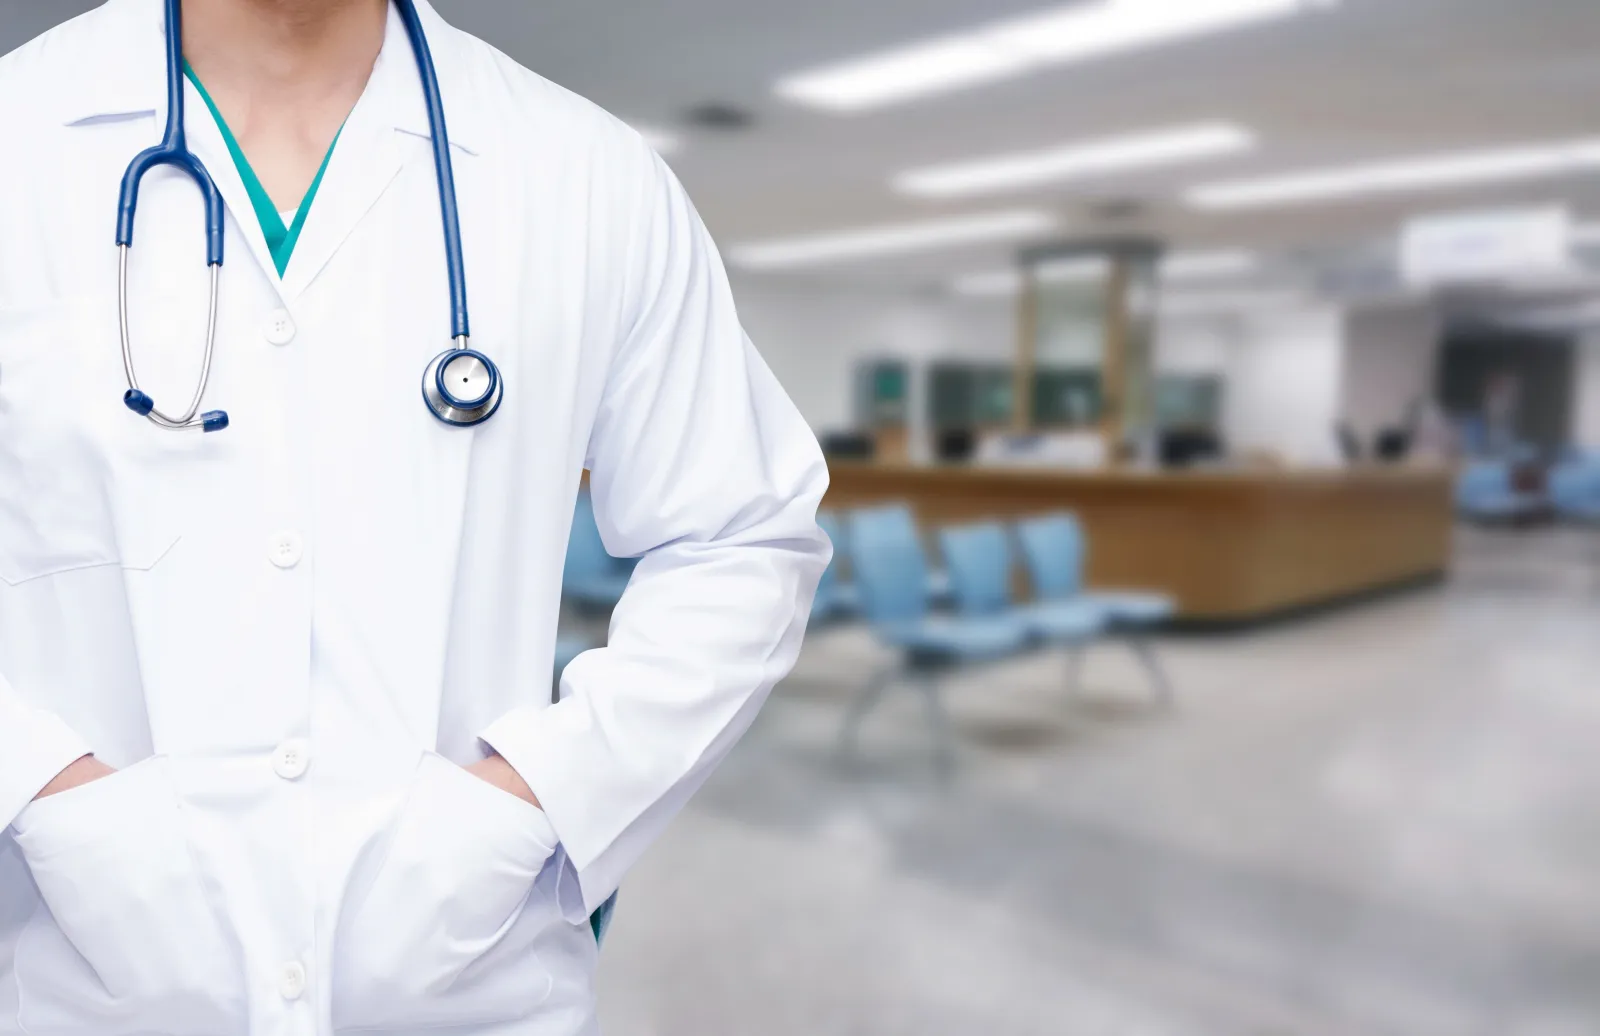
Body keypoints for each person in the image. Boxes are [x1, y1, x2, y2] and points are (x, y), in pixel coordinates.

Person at [0, 1, 829, 1034]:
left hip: (468, 987)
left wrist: (536, 797)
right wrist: (44, 793)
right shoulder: (19, 136)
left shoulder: (582, 173)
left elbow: (741, 533)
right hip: (78, 982)